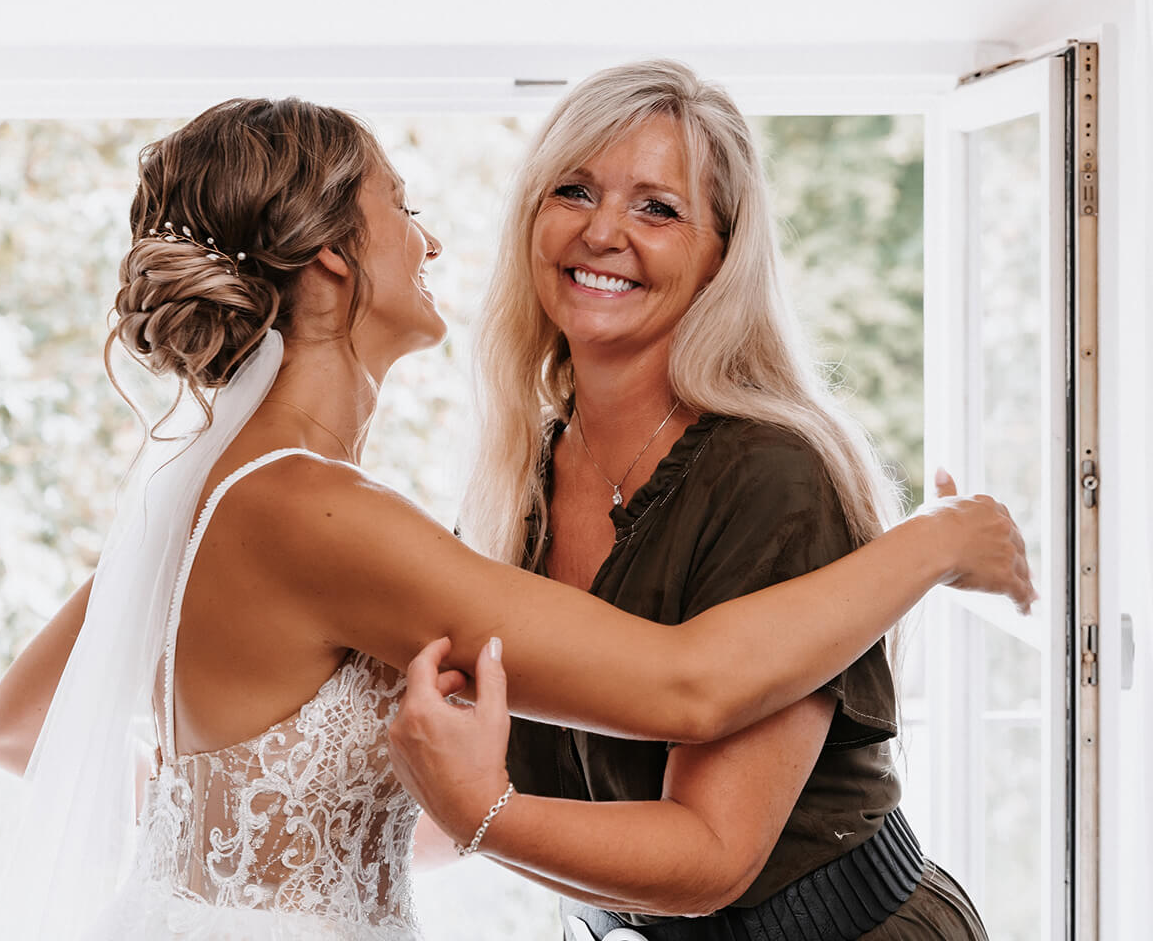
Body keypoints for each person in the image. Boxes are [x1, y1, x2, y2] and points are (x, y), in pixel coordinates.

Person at [0, 95, 1032, 941]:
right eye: (404, 206)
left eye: (659, 207)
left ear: (723, 254)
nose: (431, 242)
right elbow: (683, 682)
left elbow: (16, 723)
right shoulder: (331, 514)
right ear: (338, 254)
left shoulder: (216, 494)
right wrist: (938, 544)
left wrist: (236, 828)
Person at [390, 60, 990, 940]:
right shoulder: (518, 478)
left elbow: (710, 857)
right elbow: (448, 787)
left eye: (657, 208)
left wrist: (484, 812)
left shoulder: (773, 474)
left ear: (722, 256)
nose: (602, 232)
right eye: (574, 190)